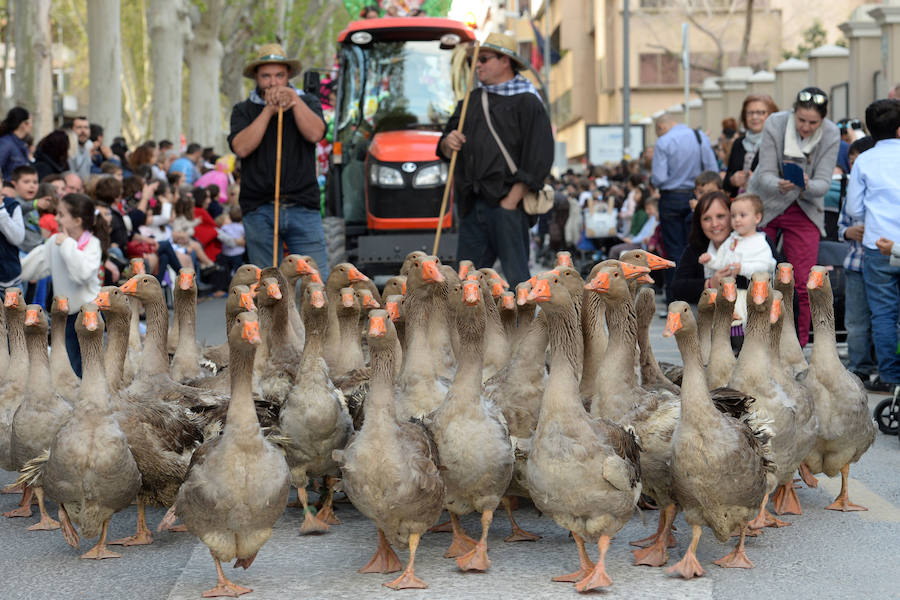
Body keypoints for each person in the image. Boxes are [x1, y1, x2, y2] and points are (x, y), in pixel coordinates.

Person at [438, 33, 553, 287]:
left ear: (505, 62)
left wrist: (511, 201)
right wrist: (449, 142)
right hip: (472, 207)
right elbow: (444, 145)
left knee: (518, 281)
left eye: (485, 59)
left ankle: (522, 328)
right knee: (465, 284)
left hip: (508, 205)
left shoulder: (528, 102)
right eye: (475, 61)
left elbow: (540, 156)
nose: (477, 65)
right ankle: (471, 329)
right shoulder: (470, 101)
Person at [750, 86, 840, 347]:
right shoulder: (775, 123)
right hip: (765, 204)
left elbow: (823, 184)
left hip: (804, 206)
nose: (806, 126)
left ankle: (797, 345)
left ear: (823, 119)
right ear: (793, 113)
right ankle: (753, 341)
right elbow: (764, 174)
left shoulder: (832, 133)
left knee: (803, 281)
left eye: (813, 122)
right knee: (758, 274)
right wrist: (780, 183)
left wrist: (806, 184)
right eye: (801, 120)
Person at [229, 43, 328, 274]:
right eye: (266, 76)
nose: (273, 82)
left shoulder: (309, 102)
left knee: (314, 283)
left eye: (279, 76)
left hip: (303, 206)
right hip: (259, 209)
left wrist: (295, 102)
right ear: (256, 77)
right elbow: (241, 148)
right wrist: (268, 111)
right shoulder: (243, 110)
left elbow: (315, 134)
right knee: (267, 284)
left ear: (289, 76)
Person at [844, 98, 900, 395]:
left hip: (877, 247)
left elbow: (853, 207)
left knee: (883, 314)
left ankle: (890, 376)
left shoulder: (864, 160)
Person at [23, 193, 107, 376]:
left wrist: (67, 244)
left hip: (91, 313)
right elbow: (34, 265)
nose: (56, 218)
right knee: (73, 365)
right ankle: (82, 399)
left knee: (92, 363)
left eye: (61, 214)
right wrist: (14, 271)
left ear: (77, 220)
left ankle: (96, 399)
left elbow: (82, 274)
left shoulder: (92, 244)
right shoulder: (55, 241)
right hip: (67, 315)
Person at [651, 113, 718, 304]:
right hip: (696, 195)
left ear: (661, 127)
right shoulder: (699, 137)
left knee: (673, 251)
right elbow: (711, 168)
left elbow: (659, 178)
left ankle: (675, 300)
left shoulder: (663, 142)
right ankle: (699, 295)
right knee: (695, 247)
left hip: (671, 197)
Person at [838, 136, 880, 389]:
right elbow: (841, 226)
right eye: (851, 163)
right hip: (855, 265)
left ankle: (881, 361)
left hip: (879, 261)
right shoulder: (851, 195)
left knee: (883, 316)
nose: (854, 169)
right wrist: (848, 233)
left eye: (858, 162)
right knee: (855, 320)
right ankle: (859, 366)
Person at [699, 193, 775, 324]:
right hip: (733, 292)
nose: (737, 220)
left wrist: (743, 268)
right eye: (733, 216)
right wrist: (710, 260)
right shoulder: (732, 239)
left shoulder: (760, 242)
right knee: (729, 319)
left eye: (742, 215)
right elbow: (722, 261)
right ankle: (734, 340)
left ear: (757, 218)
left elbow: (765, 266)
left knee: (750, 320)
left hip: (752, 293)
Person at [670, 191, 737, 304]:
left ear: (732, 216)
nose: (714, 224)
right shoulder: (696, 248)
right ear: (699, 222)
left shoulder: (754, 240)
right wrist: (709, 284)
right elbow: (677, 288)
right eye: (707, 219)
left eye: (720, 216)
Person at [723, 95, 778, 198]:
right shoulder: (738, 143)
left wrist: (757, 181)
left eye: (760, 112)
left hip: (766, 205)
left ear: (771, 115)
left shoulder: (777, 143)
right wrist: (732, 180)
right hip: (739, 205)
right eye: (750, 113)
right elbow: (726, 183)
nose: (754, 117)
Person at [0, 175, 25, 292]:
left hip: (11, 280)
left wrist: (1, 211)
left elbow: (18, 238)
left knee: (16, 310)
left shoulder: (12, 206)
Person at [0, 107, 32, 179]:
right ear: (23, 124)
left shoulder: (23, 145)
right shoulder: (6, 143)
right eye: (29, 122)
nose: (31, 125)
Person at [69, 116, 93, 181]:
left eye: (86, 127)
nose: (83, 131)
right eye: (79, 127)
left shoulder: (87, 149)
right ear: (72, 130)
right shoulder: (68, 150)